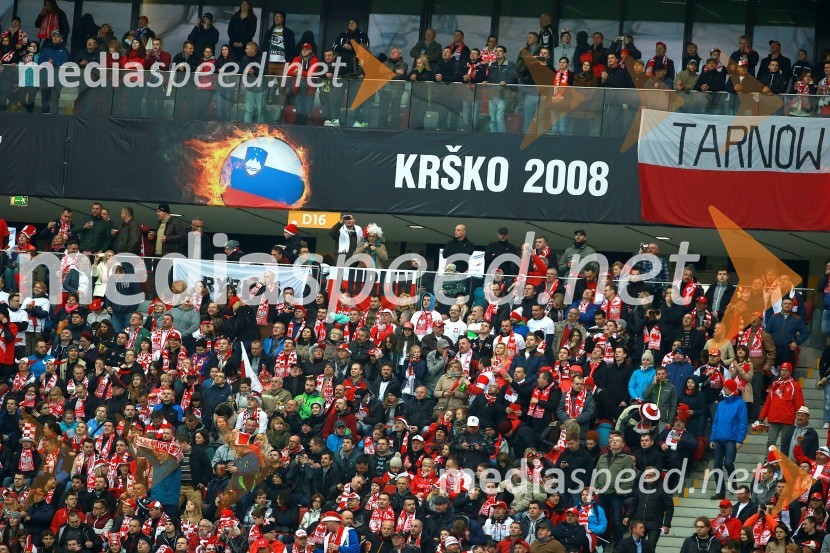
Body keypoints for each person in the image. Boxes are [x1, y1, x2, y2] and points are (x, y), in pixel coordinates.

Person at [709, 379, 748, 500]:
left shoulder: (740, 403)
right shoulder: (721, 404)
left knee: (728, 463)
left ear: (731, 389)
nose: (723, 389)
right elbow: (715, 422)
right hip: (719, 439)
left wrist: (740, 440)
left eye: (725, 387)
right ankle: (720, 491)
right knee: (717, 465)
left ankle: (733, 482)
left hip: (731, 439)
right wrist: (712, 438)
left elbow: (743, 422)